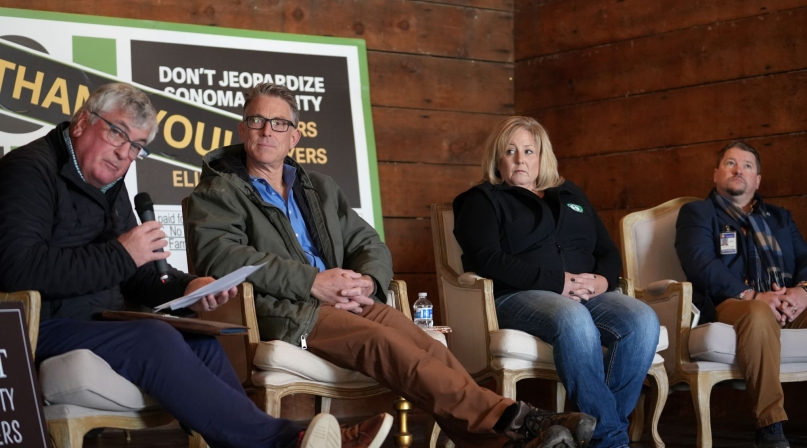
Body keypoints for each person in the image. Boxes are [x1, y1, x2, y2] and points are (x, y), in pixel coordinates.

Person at [186, 83, 593, 448]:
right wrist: (314, 282)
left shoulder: (318, 187)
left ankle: (500, 443)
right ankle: (521, 420)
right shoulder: (218, 190)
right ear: (242, 129)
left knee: (426, 345)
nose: (266, 131)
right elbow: (224, 256)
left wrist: (366, 279)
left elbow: (368, 243)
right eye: (256, 120)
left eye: (277, 123)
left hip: (346, 301)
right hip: (285, 310)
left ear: (294, 136)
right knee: (388, 345)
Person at [0, 82, 391, 448]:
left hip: (96, 320)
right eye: (117, 134)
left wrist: (187, 288)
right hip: (36, 328)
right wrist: (122, 253)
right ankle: (286, 439)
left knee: (202, 339)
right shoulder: (29, 170)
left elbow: (135, 275)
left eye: (137, 147)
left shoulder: (107, 183)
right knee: (155, 337)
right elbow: (17, 269)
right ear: (84, 121)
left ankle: (274, 440)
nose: (124, 154)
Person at [452, 116, 660, 448]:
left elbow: (606, 250)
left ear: (541, 156)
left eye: (529, 150)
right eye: (511, 150)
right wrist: (555, 282)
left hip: (587, 294)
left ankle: (597, 433)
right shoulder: (481, 199)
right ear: (497, 158)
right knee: (572, 319)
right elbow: (486, 258)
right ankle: (610, 440)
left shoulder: (570, 193)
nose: (521, 159)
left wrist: (603, 282)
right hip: (518, 295)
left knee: (642, 319)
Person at [676, 141, 807, 448]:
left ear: (757, 180)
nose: (739, 170)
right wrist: (751, 295)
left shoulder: (780, 218)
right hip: (730, 305)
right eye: (731, 163)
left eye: (747, 165)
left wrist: (802, 292)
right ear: (716, 174)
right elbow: (700, 263)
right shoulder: (697, 213)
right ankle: (771, 425)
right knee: (759, 312)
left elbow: (804, 260)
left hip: (788, 302)